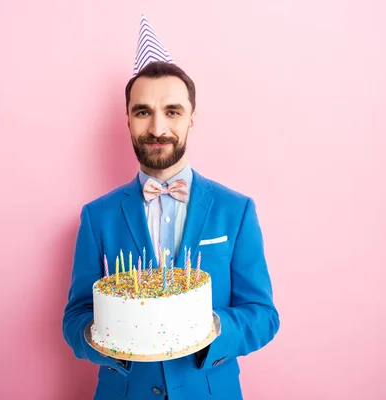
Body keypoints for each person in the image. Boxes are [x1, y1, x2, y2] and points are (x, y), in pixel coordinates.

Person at [61, 60, 280, 400]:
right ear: (128, 120)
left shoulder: (236, 211)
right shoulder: (97, 217)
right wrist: (105, 336)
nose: (158, 128)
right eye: (143, 112)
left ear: (192, 117)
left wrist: (210, 327)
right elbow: (75, 319)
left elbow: (264, 316)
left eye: (173, 111)